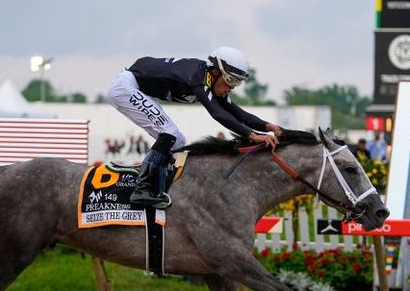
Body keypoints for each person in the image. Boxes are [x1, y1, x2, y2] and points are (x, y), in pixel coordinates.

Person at [106, 46, 283, 208]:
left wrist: (269, 126)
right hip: (126, 87)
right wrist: (252, 135)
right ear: (216, 71)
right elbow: (218, 114)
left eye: (236, 83)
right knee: (170, 133)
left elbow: (236, 112)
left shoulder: (209, 79)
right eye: (231, 80)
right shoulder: (199, 80)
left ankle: (159, 187)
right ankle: (141, 189)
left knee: (178, 141)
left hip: (136, 87)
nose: (231, 88)